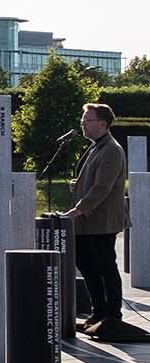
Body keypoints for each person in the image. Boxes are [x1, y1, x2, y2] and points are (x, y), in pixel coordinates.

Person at [65, 103, 129, 335]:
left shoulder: (112, 149)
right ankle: (98, 312)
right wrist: (78, 186)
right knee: (86, 266)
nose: (83, 123)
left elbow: (102, 187)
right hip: (86, 222)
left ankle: (113, 315)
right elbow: (93, 181)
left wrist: (78, 209)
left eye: (87, 120)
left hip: (101, 222)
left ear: (102, 123)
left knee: (105, 267)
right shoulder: (95, 147)